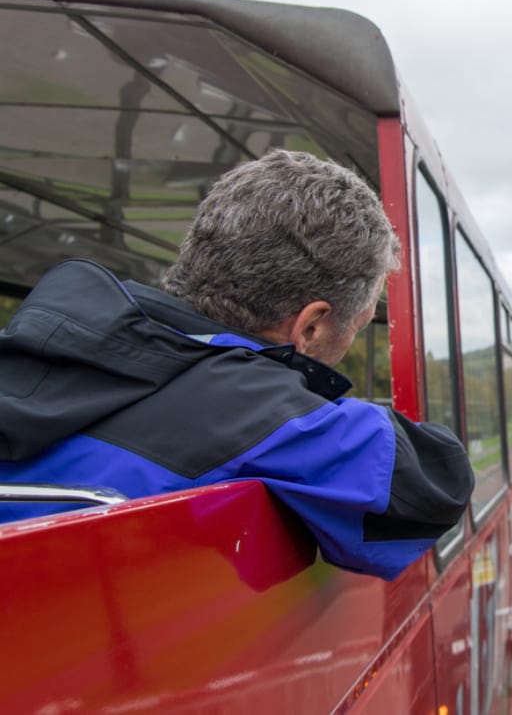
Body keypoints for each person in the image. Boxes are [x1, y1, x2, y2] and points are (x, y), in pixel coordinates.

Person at [0, 150, 473, 581]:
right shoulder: (256, 412)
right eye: (360, 324)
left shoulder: (44, 338)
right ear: (310, 327)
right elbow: (437, 484)